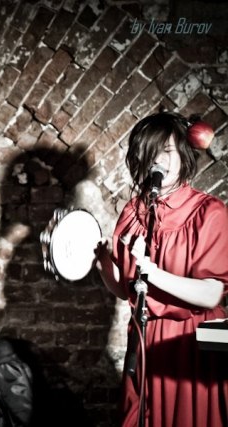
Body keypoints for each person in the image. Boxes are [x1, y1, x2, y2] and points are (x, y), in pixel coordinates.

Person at [95, 112, 228, 427]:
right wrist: (102, 262)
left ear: (183, 152)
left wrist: (153, 273)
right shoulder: (133, 212)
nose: (159, 159)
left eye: (167, 150)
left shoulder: (209, 212)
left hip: (196, 338)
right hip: (146, 337)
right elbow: (126, 289)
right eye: (152, 151)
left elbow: (211, 294)